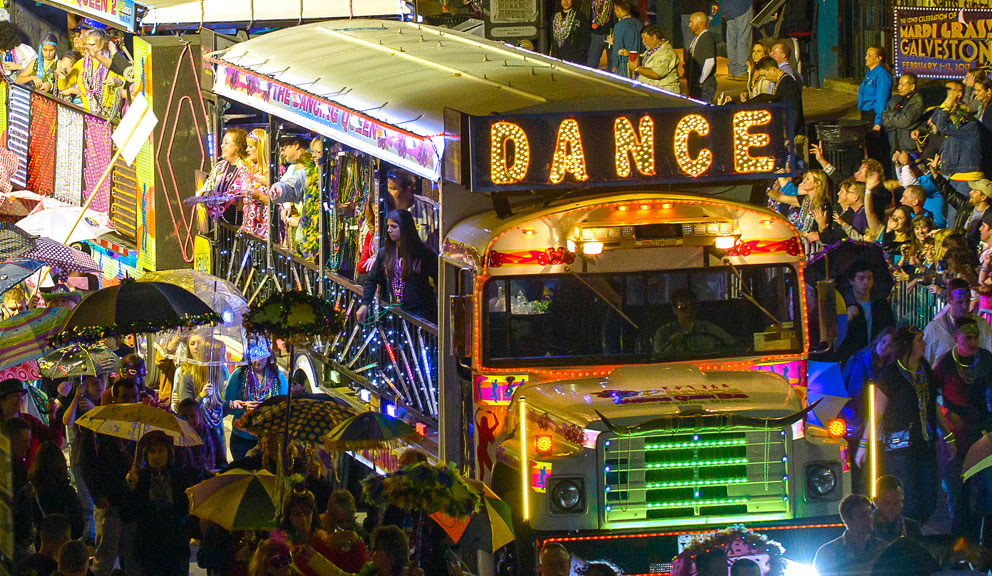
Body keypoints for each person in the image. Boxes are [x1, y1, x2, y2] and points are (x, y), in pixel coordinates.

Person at [855, 327, 939, 525]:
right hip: (899, 445)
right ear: (907, 345)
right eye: (919, 340)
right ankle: (909, 537)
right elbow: (876, 413)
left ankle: (915, 528)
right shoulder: (891, 375)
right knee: (909, 499)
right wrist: (864, 444)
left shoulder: (924, 369)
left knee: (929, 497)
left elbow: (931, 404)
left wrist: (948, 434)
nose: (924, 344)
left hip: (924, 441)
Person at [933, 315, 992, 537]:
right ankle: (961, 543)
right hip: (955, 435)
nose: (973, 341)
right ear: (956, 337)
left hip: (982, 433)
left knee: (988, 490)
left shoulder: (986, 359)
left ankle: (979, 536)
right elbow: (931, 399)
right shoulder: (945, 364)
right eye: (968, 337)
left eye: (976, 336)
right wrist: (948, 415)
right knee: (959, 494)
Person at [80, 379, 140, 576]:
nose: (130, 401)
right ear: (114, 399)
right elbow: (86, 462)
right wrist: (96, 495)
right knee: (105, 559)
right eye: (125, 397)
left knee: (132, 559)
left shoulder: (140, 425)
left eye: (134, 396)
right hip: (109, 503)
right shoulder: (99, 425)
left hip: (132, 503)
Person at [122, 430, 193, 576]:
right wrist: (131, 489)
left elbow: (186, 509)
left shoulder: (179, 477)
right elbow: (127, 515)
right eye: (152, 451)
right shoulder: (141, 478)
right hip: (149, 548)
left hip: (175, 546)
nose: (156, 456)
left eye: (161, 451)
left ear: (169, 453)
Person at [357, 209, 439, 324]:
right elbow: (372, 279)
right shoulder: (384, 253)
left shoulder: (423, 254)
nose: (389, 230)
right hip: (396, 315)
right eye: (388, 226)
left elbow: (439, 279)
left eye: (394, 227)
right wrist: (365, 304)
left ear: (405, 228)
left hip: (421, 318)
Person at [841, 327, 897, 493]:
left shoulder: (890, 370)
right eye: (883, 341)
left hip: (877, 424)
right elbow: (846, 386)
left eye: (890, 344)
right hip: (856, 418)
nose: (885, 346)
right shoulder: (859, 359)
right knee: (855, 466)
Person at [253, 133, 321, 262]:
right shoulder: (307, 174)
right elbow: (291, 186)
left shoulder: (336, 176)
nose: (314, 156)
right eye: (313, 152)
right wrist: (278, 190)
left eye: (319, 152)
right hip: (308, 242)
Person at [13, 442, 84, 555]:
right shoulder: (66, 492)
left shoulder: (29, 492)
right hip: (64, 550)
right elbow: (79, 525)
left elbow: (21, 525)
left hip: (41, 549)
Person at [225, 337, 288, 459]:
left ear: (268, 354)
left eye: (261, 356)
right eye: (254, 356)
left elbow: (284, 407)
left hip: (268, 440)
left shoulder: (278, 377)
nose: (258, 361)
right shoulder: (238, 375)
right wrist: (243, 407)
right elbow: (226, 405)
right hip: (241, 440)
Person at [173, 333, 228, 469]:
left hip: (217, 432)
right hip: (198, 436)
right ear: (210, 357)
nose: (223, 360)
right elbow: (185, 411)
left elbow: (220, 410)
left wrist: (232, 404)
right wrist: (201, 396)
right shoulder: (188, 377)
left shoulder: (220, 373)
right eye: (220, 356)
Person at [931, 81, 983, 200]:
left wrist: (950, 102)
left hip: (966, 176)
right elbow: (935, 119)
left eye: (950, 89)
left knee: (958, 215)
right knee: (952, 216)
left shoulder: (969, 125)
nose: (948, 93)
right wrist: (947, 102)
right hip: (954, 173)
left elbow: (941, 126)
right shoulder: (953, 116)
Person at [923, 277, 992, 365]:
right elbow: (925, 364)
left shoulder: (982, 325)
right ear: (949, 300)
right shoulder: (934, 329)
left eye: (967, 301)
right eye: (959, 302)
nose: (965, 306)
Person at [813, 494, 886, 576]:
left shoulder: (882, 548)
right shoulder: (828, 553)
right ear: (847, 521)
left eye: (869, 513)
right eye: (862, 515)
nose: (868, 517)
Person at [653, 289, 734, 358]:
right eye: (683, 307)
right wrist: (672, 344)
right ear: (674, 310)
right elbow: (658, 357)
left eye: (693, 306)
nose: (689, 310)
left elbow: (730, 342)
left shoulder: (708, 328)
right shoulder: (663, 333)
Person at [194, 128, 250, 224]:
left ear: (238, 146)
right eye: (222, 142)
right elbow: (201, 193)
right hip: (222, 227)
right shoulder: (219, 167)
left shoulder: (246, 168)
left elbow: (242, 199)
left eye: (226, 143)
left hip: (240, 227)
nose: (222, 146)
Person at [0, 378, 61, 465]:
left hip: (28, 474)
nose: (20, 399)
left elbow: (53, 442)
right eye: (15, 395)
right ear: (2, 400)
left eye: (21, 395)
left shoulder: (29, 421)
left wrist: (52, 416)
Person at [747, 56, 805, 141]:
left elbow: (794, 110)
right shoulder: (780, 83)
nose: (765, 78)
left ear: (772, 69)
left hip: (794, 136)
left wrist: (789, 136)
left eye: (764, 75)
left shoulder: (787, 84)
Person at [857, 45, 893, 169]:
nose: (866, 58)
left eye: (869, 55)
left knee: (878, 152)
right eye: (866, 54)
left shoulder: (882, 75)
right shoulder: (869, 73)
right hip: (866, 114)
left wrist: (878, 123)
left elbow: (881, 100)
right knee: (869, 149)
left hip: (874, 115)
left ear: (879, 58)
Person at [76, 29, 124, 118]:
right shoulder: (82, 63)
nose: (88, 48)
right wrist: (60, 74)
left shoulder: (112, 63)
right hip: (88, 114)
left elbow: (128, 85)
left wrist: (118, 82)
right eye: (86, 44)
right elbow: (62, 85)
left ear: (101, 44)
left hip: (109, 115)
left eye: (92, 44)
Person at [385, 171, 438, 249]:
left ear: (408, 190)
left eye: (393, 188)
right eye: (388, 188)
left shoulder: (428, 209)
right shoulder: (385, 207)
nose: (389, 192)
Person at [881, 73, 925, 154]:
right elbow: (883, 119)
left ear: (912, 87)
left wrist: (890, 117)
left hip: (909, 148)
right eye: (899, 84)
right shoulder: (895, 99)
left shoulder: (917, 101)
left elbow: (904, 121)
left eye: (902, 85)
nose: (899, 87)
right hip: (894, 144)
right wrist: (895, 120)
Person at [629, 25, 679, 93]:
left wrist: (637, 68)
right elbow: (645, 60)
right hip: (653, 92)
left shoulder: (666, 52)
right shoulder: (653, 50)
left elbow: (656, 73)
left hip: (664, 93)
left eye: (644, 38)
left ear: (654, 37)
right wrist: (632, 56)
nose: (643, 41)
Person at [873, 475, 923, 543]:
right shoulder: (865, 526)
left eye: (897, 502)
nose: (892, 507)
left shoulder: (911, 527)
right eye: (887, 503)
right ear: (875, 501)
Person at [818, 179, 867, 244]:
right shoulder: (857, 213)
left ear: (855, 197)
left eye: (848, 193)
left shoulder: (860, 216)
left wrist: (822, 225)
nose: (838, 194)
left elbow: (855, 240)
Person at [243, 128, 271, 237]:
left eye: (250, 147)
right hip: (249, 227)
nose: (246, 150)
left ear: (260, 148)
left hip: (265, 230)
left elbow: (280, 202)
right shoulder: (249, 170)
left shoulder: (274, 171)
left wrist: (260, 196)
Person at [685, 12, 717, 103]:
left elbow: (710, 61)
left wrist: (701, 81)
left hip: (704, 85)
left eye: (691, 22)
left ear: (699, 23)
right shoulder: (698, 37)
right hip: (696, 84)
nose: (689, 25)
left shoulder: (706, 37)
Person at [609, 0, 642, 80]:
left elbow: (618, 47)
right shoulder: (639, 23)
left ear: (618, 9)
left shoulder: (619, 25)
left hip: (624, 63)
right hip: (638, 62)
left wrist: (614, 65)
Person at [549, 0, 590, 64]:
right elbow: (553, 40)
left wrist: (577, 58)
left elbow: (584, 41)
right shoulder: (555, 17)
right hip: (558, 59)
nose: (565, 2)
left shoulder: (580, 17)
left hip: (574, 60)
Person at [721, 0, 752, 80]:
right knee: (743, 39)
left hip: (729, 9)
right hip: (742, 7)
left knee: (731, 41)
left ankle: (732, 70)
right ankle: (741, 71)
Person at [586, 0, 614, 70]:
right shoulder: (591, 2)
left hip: (611, 33)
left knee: (612, 63)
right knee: (591, 63)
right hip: (595, 33)